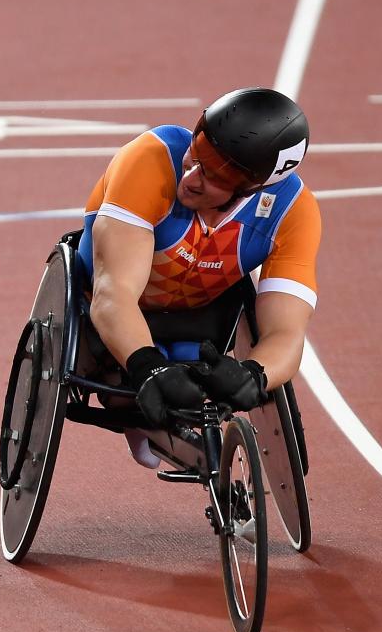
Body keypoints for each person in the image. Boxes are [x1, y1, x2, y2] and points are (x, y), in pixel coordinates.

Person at [76, 87, 319, 467]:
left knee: (197, 368)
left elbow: (286, 332)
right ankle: (128, 398)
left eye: (215, 174)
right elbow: (113, 295)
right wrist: (147, 365)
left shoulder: (294, 213)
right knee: (122, 383)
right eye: (197, 151)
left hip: (198, 321)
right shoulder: (150, 158)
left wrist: (253, 376)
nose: (190, 176)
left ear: (251, 190)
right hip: (107, 305)